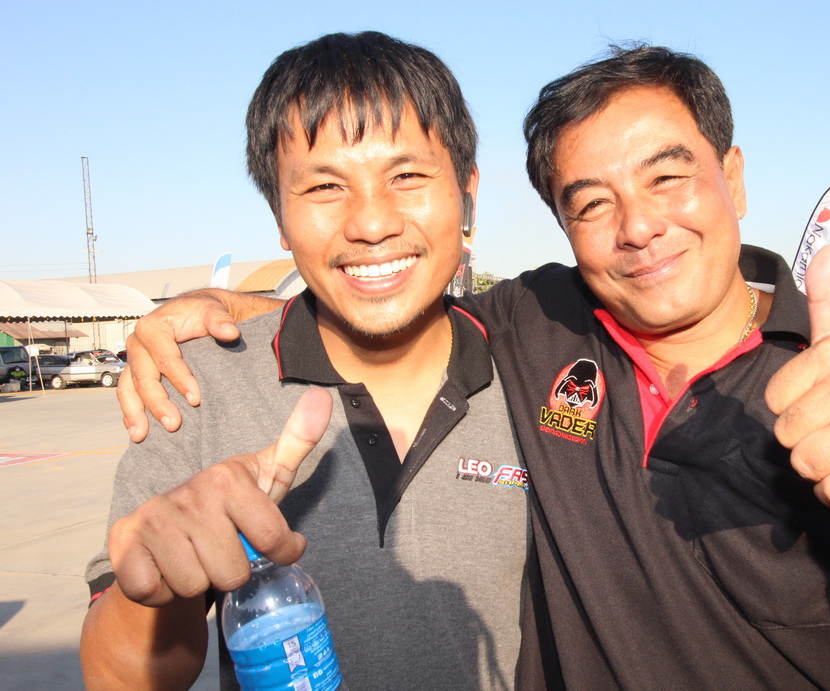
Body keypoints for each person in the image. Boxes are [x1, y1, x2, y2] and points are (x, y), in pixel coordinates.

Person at [117, 45, 830, 688]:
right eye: (591, 202)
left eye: (668, 177)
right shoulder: (536, 325)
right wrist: (206, 312)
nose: (638, 226)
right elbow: (382, 287)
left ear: (733, 177)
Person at [80, 32, 531, 690]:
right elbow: (117, 677)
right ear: (279, 217)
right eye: (324, 185)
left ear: (467, 192)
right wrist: (159, 579)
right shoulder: (198, 387)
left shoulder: (535, 368)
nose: (371, 223)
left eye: (407, 176)